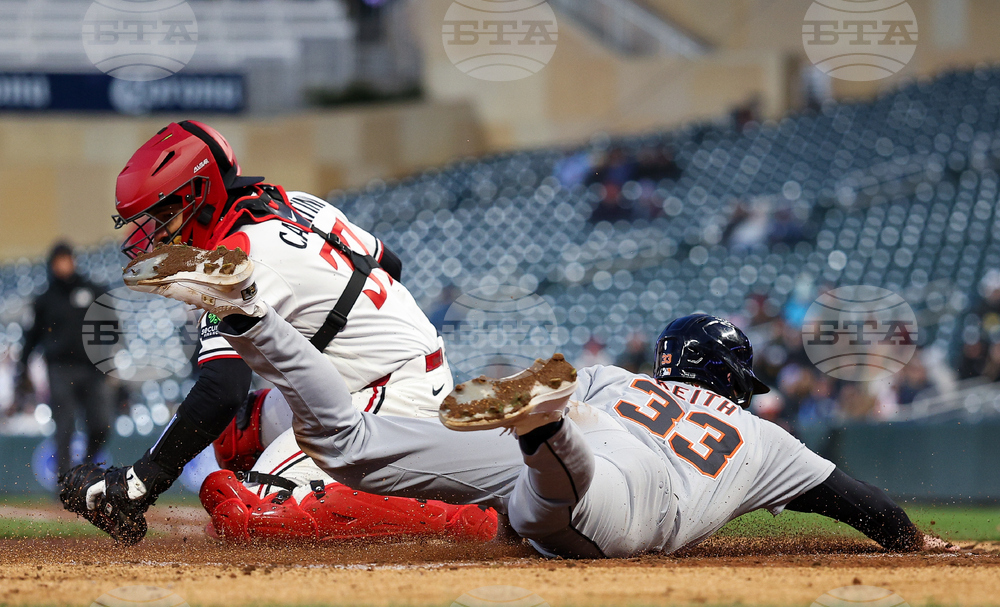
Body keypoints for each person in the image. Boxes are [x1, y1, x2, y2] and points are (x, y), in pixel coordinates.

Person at [111, 244, 954, 557]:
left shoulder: (624, 378)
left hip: (556, 430)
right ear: (732, 380)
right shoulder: (767, 441)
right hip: (618, 501)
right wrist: (914, 543)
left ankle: (248, 313)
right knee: (572, 500)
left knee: (351, 444)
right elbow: (860, 503)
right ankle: (538, 425)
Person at [59, 120, 494, 545]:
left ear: (200, 195)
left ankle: (469, 516)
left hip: (389, 389)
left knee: (247, 513)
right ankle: (363, 486)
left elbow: (221, 390)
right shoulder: (294, 202)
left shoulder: (237, 255)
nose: (153, 234)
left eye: (162, 215)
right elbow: (388, 263)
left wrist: (138, 483)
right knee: (237, 434)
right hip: (382, 376)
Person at [20, 242, 111, 479]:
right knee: (65, 426)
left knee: (101, 423)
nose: (63, 265)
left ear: (74, 260)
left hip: (92, 368)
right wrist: (22, 367)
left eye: (66, 259)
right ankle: (64, 483)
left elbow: (111, 325)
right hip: (60, 369)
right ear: (52, 265)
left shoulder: (93, 290)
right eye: (58, 261)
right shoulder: (45, 300)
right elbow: (32, 335)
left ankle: (88, 467)